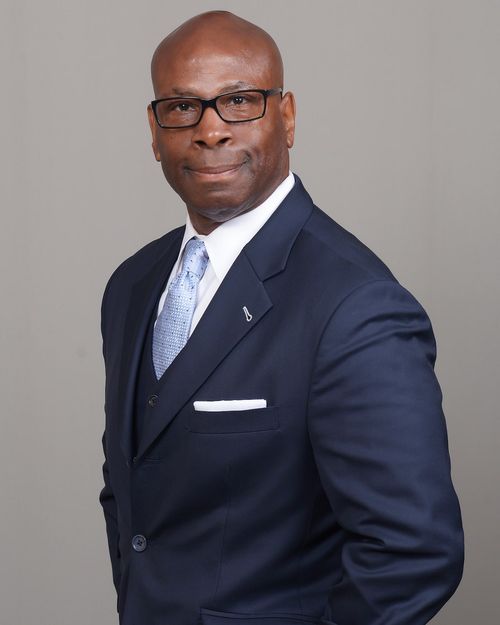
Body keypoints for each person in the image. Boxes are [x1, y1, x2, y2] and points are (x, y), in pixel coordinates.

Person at [99, 10, 464, 625]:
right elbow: (135, 497)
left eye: (239, 101)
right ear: (154, 131)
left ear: (287, 117)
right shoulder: (132, 286)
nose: (210, 131)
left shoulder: (355, 305)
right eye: (182, 107)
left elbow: (413, 553)